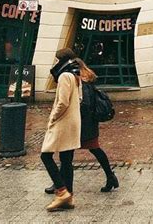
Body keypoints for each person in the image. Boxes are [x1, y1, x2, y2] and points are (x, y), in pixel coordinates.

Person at [45, 56, 118, 194]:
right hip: (88, 124)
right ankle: (110, 176)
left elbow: (82, 104)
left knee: (68, 154)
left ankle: (60, 184)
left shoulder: (81, 82)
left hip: (83, 125)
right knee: (89, 150)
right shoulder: (86, 79)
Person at [40, 48, 82, 212]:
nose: (55, 63)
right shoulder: (75, 75)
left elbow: (63, 102)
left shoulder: (65, 76)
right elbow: (78, 98)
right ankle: (68, 197)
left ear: (62, 60)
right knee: (66, 159)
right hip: (73, 122)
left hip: (63, 122)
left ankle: (61, 191)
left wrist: (52, 117)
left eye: (57, 60)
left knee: (46, 155)